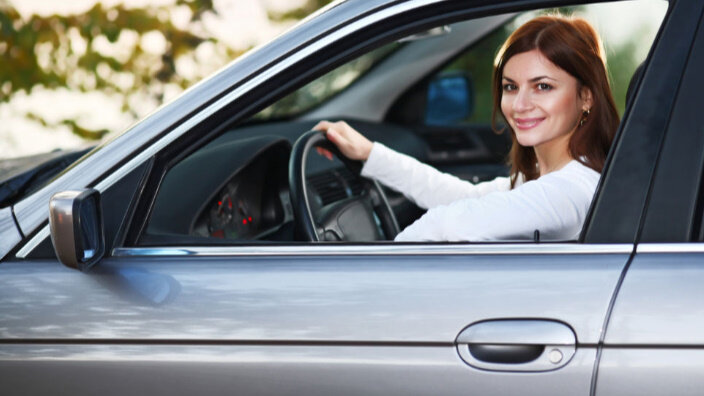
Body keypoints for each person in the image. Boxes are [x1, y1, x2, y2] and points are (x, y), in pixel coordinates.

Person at [314, 15, 619, 242]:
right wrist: (369, 155)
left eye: (542, 86)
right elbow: (463, 198)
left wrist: (373, 273)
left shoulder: (570, 191)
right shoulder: (546, 178)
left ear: (585, 97)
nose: (520, 104)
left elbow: (449, 224)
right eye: (511, 87)